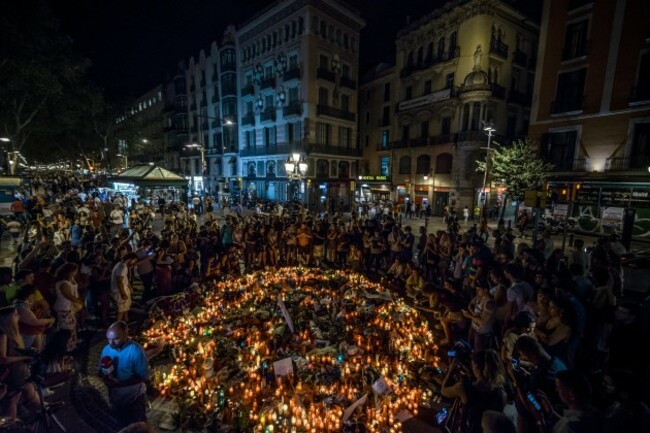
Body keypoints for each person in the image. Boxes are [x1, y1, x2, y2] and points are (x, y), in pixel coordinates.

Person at [440, 349, 507, 433]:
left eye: (472, 365)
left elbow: (444, 390)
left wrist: (450, 371)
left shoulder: (464, 388)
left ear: (477, 367)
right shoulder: (502, 394)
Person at [98, 321, 150, 428]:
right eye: (108, 339)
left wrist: (121, 384)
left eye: (116, 339)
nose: (111, 343)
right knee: (120, 424)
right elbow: (100, 370)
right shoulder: (107, 349)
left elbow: (142, 376)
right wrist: (105, 378)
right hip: (115, 397)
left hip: (134, 397)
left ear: (125, 334)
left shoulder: (135, 350)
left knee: (138, 426)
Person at [111, 253, 138, 323]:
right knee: (121, 310)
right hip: (119, 292)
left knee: (125, 308)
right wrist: (123, 293)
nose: (134, 262)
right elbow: (119, 280)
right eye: (134, 260)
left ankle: (126, 321)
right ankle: (118, 325)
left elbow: (124, 279)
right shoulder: (122, 267)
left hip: (123, 289)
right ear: (130, 259)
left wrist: (129, 287)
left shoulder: (121, 264)